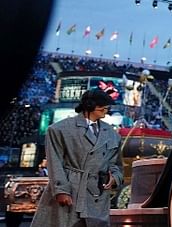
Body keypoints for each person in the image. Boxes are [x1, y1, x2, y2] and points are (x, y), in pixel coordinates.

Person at [32, 88, 123, 227]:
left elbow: (115, 164)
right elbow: (55, 163)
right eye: (102, 105)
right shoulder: (60, 129)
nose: (106, 108)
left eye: (107, 105)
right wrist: (61, 190)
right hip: (72, 190)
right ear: (89, 105)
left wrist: (115, 178)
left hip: (98, 194)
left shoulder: (112, 134)